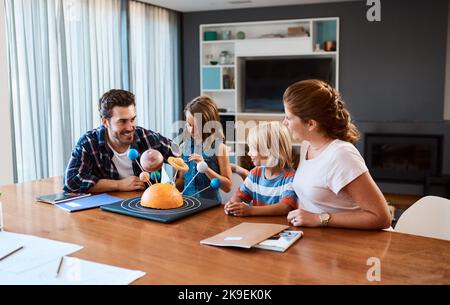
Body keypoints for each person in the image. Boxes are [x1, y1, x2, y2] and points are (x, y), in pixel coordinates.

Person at [283, 79, 391, 229]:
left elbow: (381, 217)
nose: (284, 122)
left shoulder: (341, 155)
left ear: (311, 124)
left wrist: (319, 218)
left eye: (288, 117)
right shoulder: (307, 145)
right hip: (324, 239)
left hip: (362, 243)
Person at [63, 89, 174, 193]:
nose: (130, 127)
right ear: (105, 122)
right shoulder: (89, 143)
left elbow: (181, 154)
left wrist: (178, 183)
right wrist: (118, 185)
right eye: (123, 121)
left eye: (132, 119)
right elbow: (71, 182)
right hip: (106, 210)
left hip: (147, 206)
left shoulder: (145, 137)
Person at [224, 122, 297, 217]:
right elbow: (240, 195)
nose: (249, 153)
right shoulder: (255, 173)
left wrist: (250, 211)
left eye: (252, 148)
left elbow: (285, 207)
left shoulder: (290, 177)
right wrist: (232, 205)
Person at [176, 96, 232, 201]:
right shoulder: (184, 147)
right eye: (188, 124)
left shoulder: (220, 148)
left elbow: (227, 187)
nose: (191, 130)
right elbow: (182, 181)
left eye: (196, 126)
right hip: (187, 205)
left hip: (210, 208)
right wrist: (170, 185)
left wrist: (205, 168)